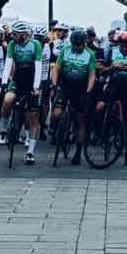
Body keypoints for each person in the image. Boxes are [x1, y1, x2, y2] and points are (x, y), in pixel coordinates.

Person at [0, 21, 48, 163]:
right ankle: (3, 130)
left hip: (31, 81)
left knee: (33, 118)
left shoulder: (35, 45)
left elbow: (38, 66)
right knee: (7, 100)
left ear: (24, 35)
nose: (12, 36)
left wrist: (36, 86)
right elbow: (8, 63)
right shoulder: (12, 45)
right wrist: (4, 82)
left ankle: (30, 152)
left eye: (15, 34)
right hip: (17, 80)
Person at [50, 28, 98, 163]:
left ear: (84, 43)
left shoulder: (90, 54)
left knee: (80, 120)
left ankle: (78, 151)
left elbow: (92, 75)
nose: (77, 47)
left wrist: (89, 91)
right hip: (65, 85)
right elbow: (56, 68)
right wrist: (54, 83)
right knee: (56, 113)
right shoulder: (65, 50)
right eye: (74, 44)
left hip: (81, 88)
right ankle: (55, 131)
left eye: (79, 45)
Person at [96, 30, 127, 166]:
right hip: (113, 87)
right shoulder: (112, 51)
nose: (124, 47)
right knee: (99, 107)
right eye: (122, 44)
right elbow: (102, 70)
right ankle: (102, 132)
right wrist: (112, 66)